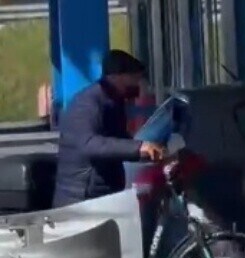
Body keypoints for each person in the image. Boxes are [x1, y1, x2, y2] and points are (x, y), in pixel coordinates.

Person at [52, 50, 166, 208]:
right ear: (117, 76)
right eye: (135, 79)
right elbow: (89, 143)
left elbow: (119, 143)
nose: (138, 85)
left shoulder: (113, 101)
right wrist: (139, 147)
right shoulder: (88, 103)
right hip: (82, 199)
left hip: (101, 195)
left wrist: (152, 153)